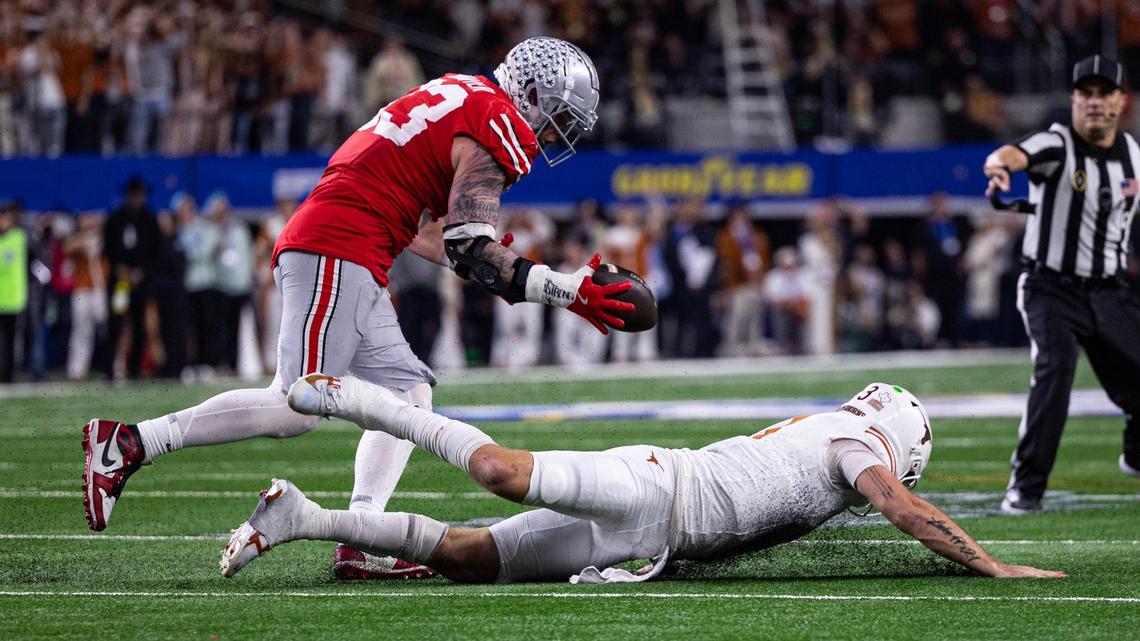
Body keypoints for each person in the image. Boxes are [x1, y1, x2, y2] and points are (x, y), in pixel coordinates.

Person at [83, 38, 631, 581]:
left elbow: (427, 233)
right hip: (338, 244)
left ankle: (362, 534)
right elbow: (470, 250)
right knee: (296, 403)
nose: (556, 136)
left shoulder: (461, 91)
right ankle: (131, 442)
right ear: (531, 94)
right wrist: (568, 289)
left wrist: (490, 254)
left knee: (409, 394)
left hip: (353, 245)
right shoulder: (495, 117)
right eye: (557, 119)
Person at [220, 377, 1065, 583]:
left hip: (652, 539)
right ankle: (361, 398)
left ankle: (301, 516)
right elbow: (905, 508)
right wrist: (990, 563)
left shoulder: (839, 429)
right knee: (500, 472)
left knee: (469, 556)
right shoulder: (853, 439)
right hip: (659, 489)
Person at [983, 55, 1140, 514]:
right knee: (1055, 372)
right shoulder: (1057, 144)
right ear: (1073, 100)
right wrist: (999, 166)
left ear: (1120, 101)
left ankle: (1135, 454)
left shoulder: (1133, 155)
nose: (1094, 102)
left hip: (1109, 291)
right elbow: (1014, 153)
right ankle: (1026, 487)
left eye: (1104, 93)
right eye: (1086, 94)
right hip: (1050, 288)